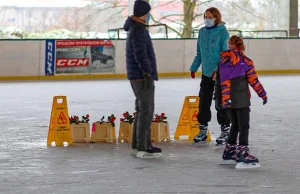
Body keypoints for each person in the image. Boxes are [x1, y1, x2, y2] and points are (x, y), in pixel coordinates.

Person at [215, 35, 268, 169]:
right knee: (244, 125)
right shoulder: (246, 61)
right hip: (241, 99)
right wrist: (263, 94)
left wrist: (219, 98)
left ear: (229, 45)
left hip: (227, 99)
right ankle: (243, 152)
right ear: (241, 45)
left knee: (235, 125)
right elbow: (253, 81)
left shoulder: (222, 61)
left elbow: (217, 81)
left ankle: (230, 151)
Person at [123, 0, 162, 159]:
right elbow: (141, 54)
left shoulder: (135, 28)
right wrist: (147, 73)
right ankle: (143, 146)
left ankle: (139, 144)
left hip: (137, 75)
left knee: (142, 110)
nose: (149, 16)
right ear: (143, 14)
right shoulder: (138, 30)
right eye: (147, 13)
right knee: (146, 110)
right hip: (141, 76)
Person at [190, 7, 231, 145]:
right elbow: (199, 53)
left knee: (220, 103)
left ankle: (225, 129)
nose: (207, 19)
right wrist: (194, 67)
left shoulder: (223, 34)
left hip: (220, 75)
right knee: (204, 102)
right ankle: (203, 129)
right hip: (206, 74)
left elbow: (226, 56)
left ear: (216, 18)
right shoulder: (202, 32)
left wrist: (218, 70)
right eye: (205, 17)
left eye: (210, 17)